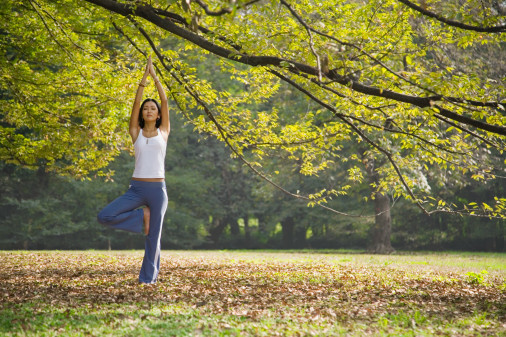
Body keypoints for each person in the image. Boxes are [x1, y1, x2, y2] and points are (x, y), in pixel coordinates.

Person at [97, 56, 170, 284]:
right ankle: (142, 216)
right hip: (136, 189)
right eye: (146, 108)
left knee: (153, 237)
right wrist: (142, 82)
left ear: (158, 115)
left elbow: (165, 102)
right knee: (105, 216)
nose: (149, 110)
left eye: (153, 109)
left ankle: (147, 280)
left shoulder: (163, 132)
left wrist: (155, 78)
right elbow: (135, 105)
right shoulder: (135, 132)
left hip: (158, 189)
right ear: (142, 113)